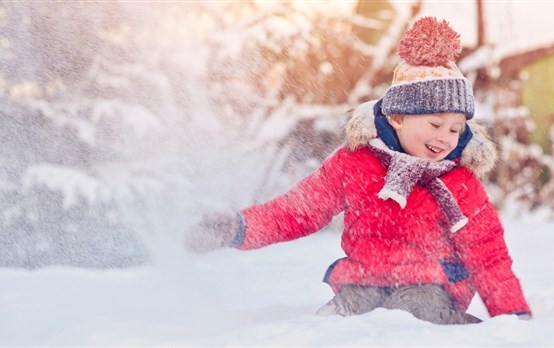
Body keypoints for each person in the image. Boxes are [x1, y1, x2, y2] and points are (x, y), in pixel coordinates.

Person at [185, 16, 532, 325]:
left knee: (409, 320)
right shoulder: (354, 164)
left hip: (431, 285)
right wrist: (238, 228)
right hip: (361, 282)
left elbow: (488, 254)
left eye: (456, 129)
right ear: (397, 117)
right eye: (436, 124)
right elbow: (298, 210)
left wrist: (511, 317)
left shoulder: (459, 181)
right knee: (334, 322)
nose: (446, 138)